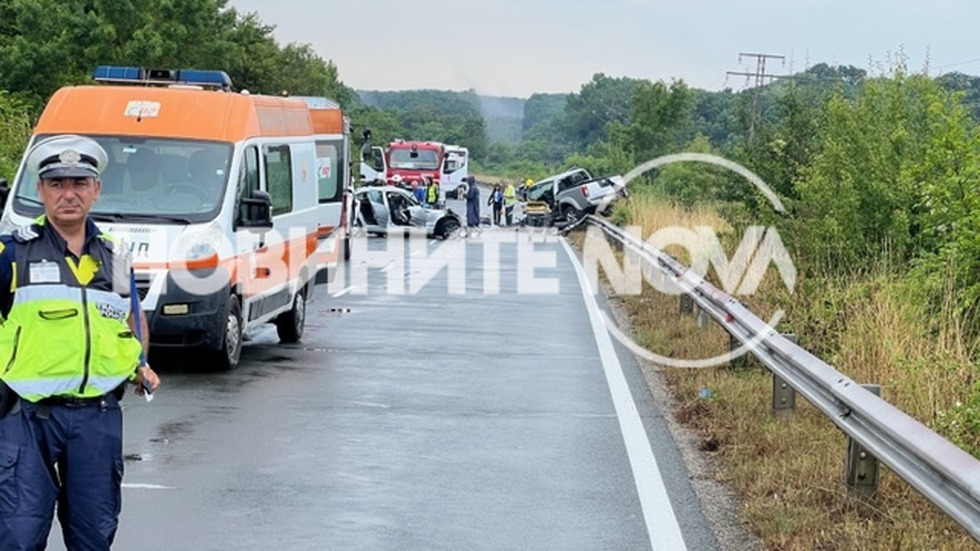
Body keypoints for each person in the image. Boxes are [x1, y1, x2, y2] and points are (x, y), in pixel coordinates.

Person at [0, 134, 161, 549]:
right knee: (17, 535)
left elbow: (130, 315)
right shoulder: (11, 253)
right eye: (56, 183)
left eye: (78, 183)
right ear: (40, 191)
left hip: (98, 416)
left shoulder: (116, 257)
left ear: (95, 190)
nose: (68, 194)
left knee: (94, 536)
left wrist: (139, 362)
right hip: (26, 416)